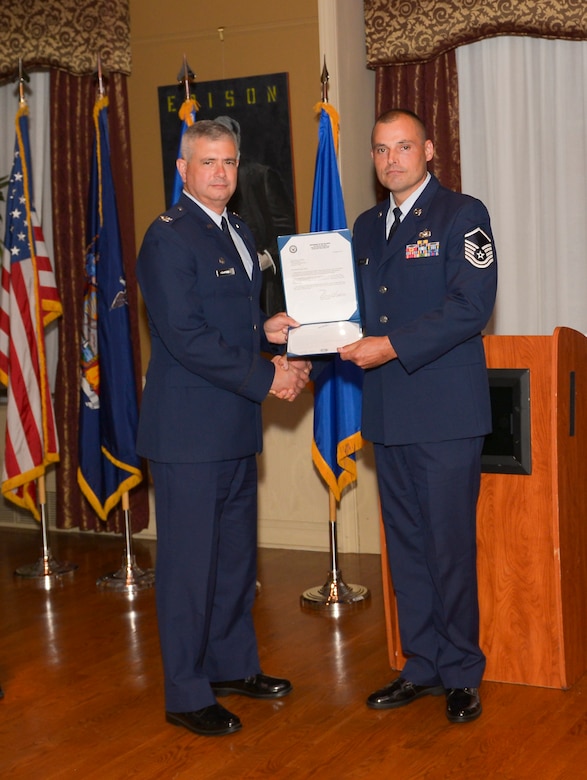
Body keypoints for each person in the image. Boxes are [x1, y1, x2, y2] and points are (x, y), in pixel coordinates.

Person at [136, 120, 311, 737]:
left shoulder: (235, 229)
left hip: (232, 424)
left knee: (235, 559)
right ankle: (186, 692)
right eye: (207, 162)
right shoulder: (169, 238)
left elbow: (226, 322)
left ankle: (232, 664)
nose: (220, 173)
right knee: (189, 567)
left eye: (230, 163)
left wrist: (268, 331)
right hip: (189, 431)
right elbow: (184, 338)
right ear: (182, 170)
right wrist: (267, 379)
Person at [339, 109, 497, 724]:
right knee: (405, 548)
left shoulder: (464, 215)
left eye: (403, 147)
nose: (391, 160)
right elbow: (358, 308)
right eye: (381, 150)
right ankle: (422, 665)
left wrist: (392, 346)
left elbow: (471, 307)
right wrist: (308, 324)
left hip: (445, 413)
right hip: (387, 410)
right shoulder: (367, 225)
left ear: (428, 150)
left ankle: (461, 672)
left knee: (449, 548)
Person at [214, 115, 296, 317]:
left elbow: (287, 229)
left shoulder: (261, 176)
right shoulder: (209, 183)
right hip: (222, 293)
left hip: (263, 290)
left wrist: (267, 258)